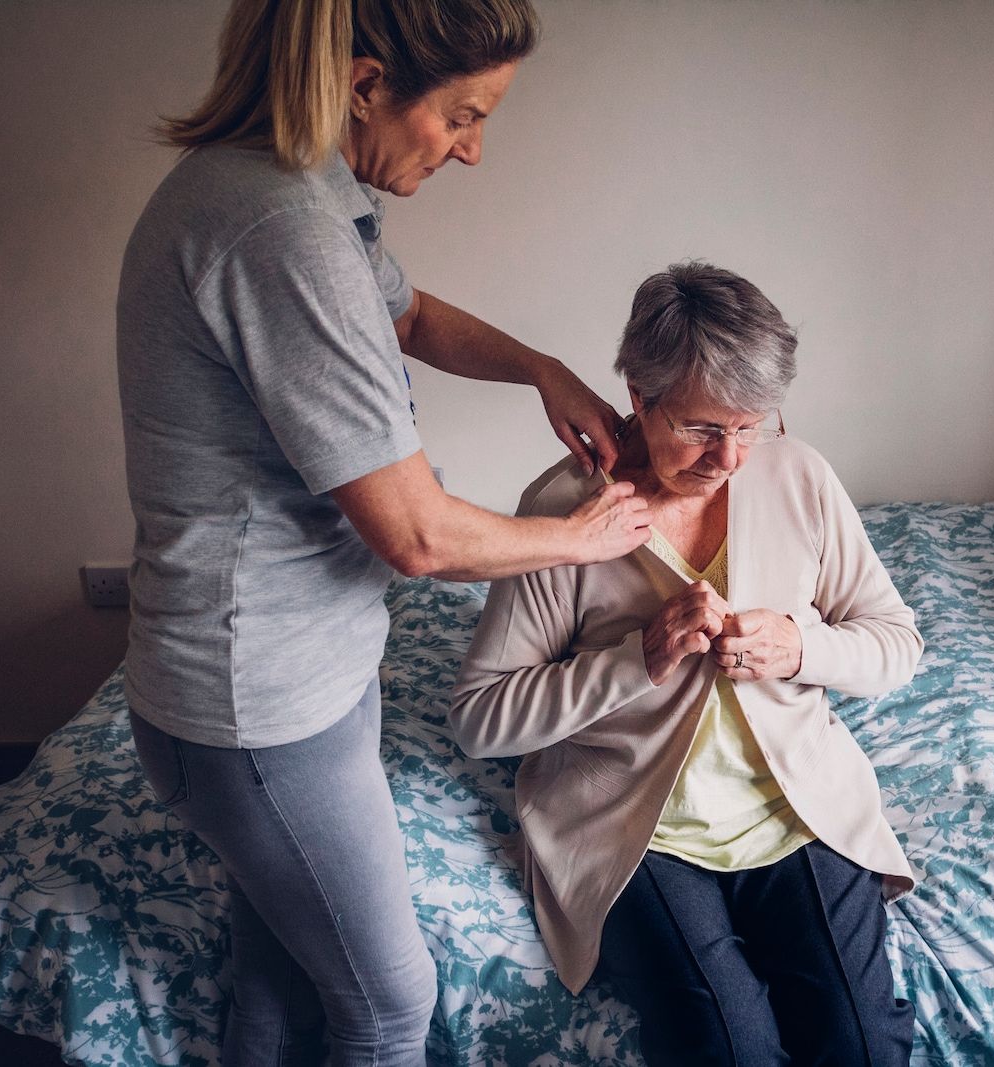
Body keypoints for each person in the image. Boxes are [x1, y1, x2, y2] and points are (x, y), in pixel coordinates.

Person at [114, 1, 650, 1064]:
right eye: (461, 115)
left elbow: (399, 315)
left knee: (280, 961)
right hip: (257, 699)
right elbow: (413, 534)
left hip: (276, 671)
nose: (472, 149)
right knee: (389, 1004)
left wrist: (539, 367)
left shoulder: (298, 190)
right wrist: (582, 539)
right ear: (366, 85)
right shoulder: (279, 228)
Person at [449, 262, 923, 1066]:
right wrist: (639, 660)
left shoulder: (799, 474)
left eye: (752, 425)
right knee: (732, 1046)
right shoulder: (567, 511)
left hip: (796, 807)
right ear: (639, 393)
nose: (731, 457)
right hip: (636, 823)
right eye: (703, 429)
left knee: (865, 1043)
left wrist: (801, 645)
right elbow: (479, 717)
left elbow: (896, 643)